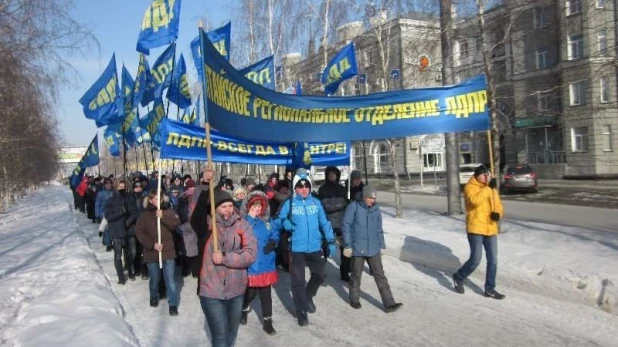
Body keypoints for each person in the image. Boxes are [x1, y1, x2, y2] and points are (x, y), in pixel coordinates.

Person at [198, 190, 257, 347]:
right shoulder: (207, 225)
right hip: (211, 290)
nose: (228, 210)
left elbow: (251, 253)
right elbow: (195, 216)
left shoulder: (242, 225)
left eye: (230, 205)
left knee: (231, 332)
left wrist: (226, 258)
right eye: (224, 206)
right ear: (215, 208)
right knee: (220, 336)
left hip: (236, 290)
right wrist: (205, 184)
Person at [277, 169, 336, 327]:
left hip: (315, 247)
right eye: (300, 186)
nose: (304, 189)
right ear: (295, 188)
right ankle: (301, 311)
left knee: (320, 275)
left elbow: (324, 222)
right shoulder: (289, 202)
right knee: (298, 282)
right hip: (296, 248)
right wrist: (285, 223)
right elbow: (278, 218)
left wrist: (330, 240)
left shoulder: (316, 203)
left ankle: (307, 296)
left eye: (306, 186)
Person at [342, 185, 403, 313]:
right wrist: (348, 244)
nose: (373, 200)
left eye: (374, 198)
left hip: (373, 248)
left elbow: (379, 228)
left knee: (380, 275)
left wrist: (381, 245)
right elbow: (346, 225)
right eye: (370, 198)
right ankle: (354, 299)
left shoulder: (376, 209)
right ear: (364, 197)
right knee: (356, 274)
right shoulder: (354, 206)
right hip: (358, 247)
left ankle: (389, 303)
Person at [452, 165, 505, 300]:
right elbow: (475, 201)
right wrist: (488, 188)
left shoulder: (491, 188)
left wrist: (497, 214)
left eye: (488, 174)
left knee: (493, 260)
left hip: (490, 228)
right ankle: (459, 276)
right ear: (477, 176)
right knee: (475, 259)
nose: (487, 177)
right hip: (475, 228)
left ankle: (490, 289)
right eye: (484, 175)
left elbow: (498, 205)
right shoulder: (470, 187)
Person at [239, 191, 279, 335]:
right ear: (249, 207)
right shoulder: (244, 221)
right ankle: (243, 309)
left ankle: (267, 322)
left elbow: (275, 234)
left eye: (259, 206)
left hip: (266, 263)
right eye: (254, 206)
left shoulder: (268, 222)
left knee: (266, 294)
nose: (257, 209)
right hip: (252, 263)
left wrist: (274, 242)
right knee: (250, 293)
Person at [136, 190, 181, 315]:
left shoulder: (169, 211)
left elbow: (175, 224)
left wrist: (163, 217)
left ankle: (172, 304)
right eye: (155, 199)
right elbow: (139, 232)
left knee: (170, 279)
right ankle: (154, 295)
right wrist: (152, 244)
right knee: (155, 278)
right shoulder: (144, 216)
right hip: (152, 252)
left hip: (167, 251)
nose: (158, 201)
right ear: (150, 200)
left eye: (160, 199)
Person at [318, 166, 351, 282]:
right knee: (324, 250)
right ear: (327, 175)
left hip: (341, 224)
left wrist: (342, 203)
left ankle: (345, 272)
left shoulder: (342, 189)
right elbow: (326, 206)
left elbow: (346, 204)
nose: (332, 175)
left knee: (346, 250)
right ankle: (320, 273)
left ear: (337, 175)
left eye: (334, 174)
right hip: (328, 223)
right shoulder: (322, 189)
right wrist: (341, 203)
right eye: (330, 174)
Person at [104, 180, 130, 284]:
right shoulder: (110, 200)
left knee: (131, 252)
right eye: (120, 187)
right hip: (116, 230)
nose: (122, 189)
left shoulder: (128, 198)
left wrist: (129, 220)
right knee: (118, 254)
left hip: (128, 228)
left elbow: (134, 211)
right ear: (115, 188)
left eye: (124, 187)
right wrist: (120, 212)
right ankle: (121, 276)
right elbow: (108, 216)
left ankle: (130, 269)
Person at [125, 180, 145, 280]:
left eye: (140, 187)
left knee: (142, 250)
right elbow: (130, 211)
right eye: (136, 188)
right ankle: (130, 269)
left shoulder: (145, 198)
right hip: (132, 228)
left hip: (143, 228)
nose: (138, 189)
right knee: (133, 251)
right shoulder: (129, 198)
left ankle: (141, 270)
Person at [96, 178, 115, 251]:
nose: (108, 185)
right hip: (103, 213)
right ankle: (108, 244)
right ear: (104, 185)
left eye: (110, 183)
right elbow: (97, 204)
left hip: (113, 213)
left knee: (112, 229)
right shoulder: (100, 193)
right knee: (106, 229)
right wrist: (97, 214)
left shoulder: (114, 192)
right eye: (107, 183)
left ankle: (110, 241)